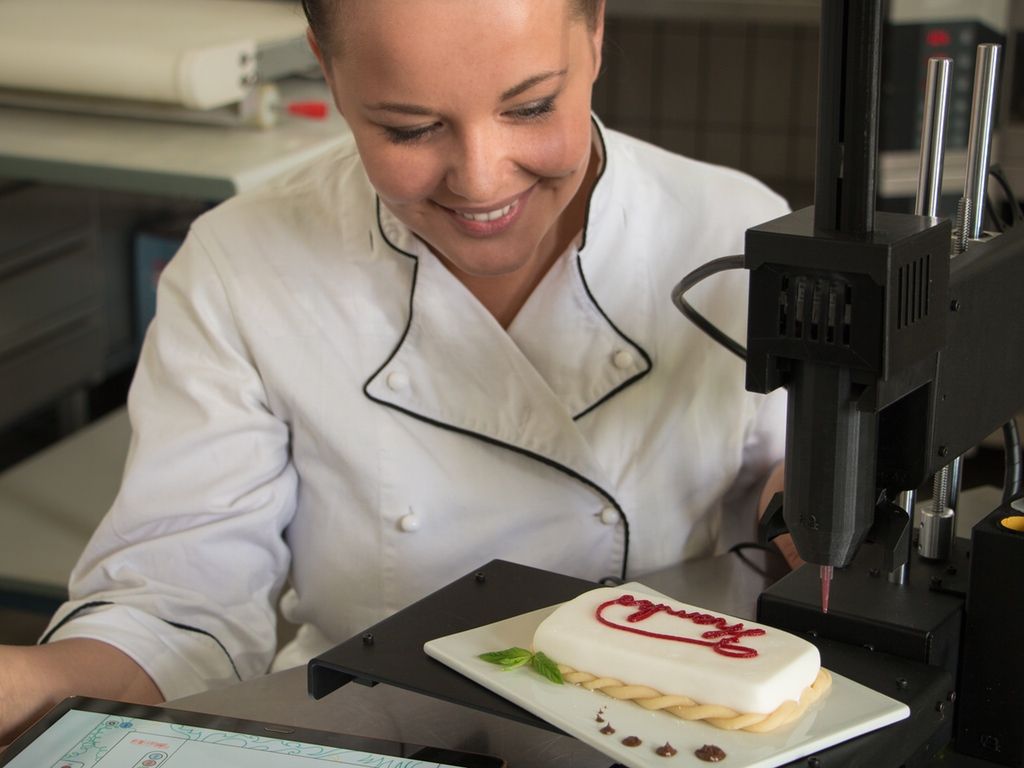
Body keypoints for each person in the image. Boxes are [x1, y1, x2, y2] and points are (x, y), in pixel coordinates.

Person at [0, 0, 792, 747]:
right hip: (361, 744)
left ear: (593, 36)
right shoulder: (242, 264)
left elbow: (800, 526)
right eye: (410, 128)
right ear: (328, 70)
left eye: (530, 108)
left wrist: (812, 512)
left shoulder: (735, 237)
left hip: (677, 740)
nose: (481, 180)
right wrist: (31, 682)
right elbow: (176, 607)